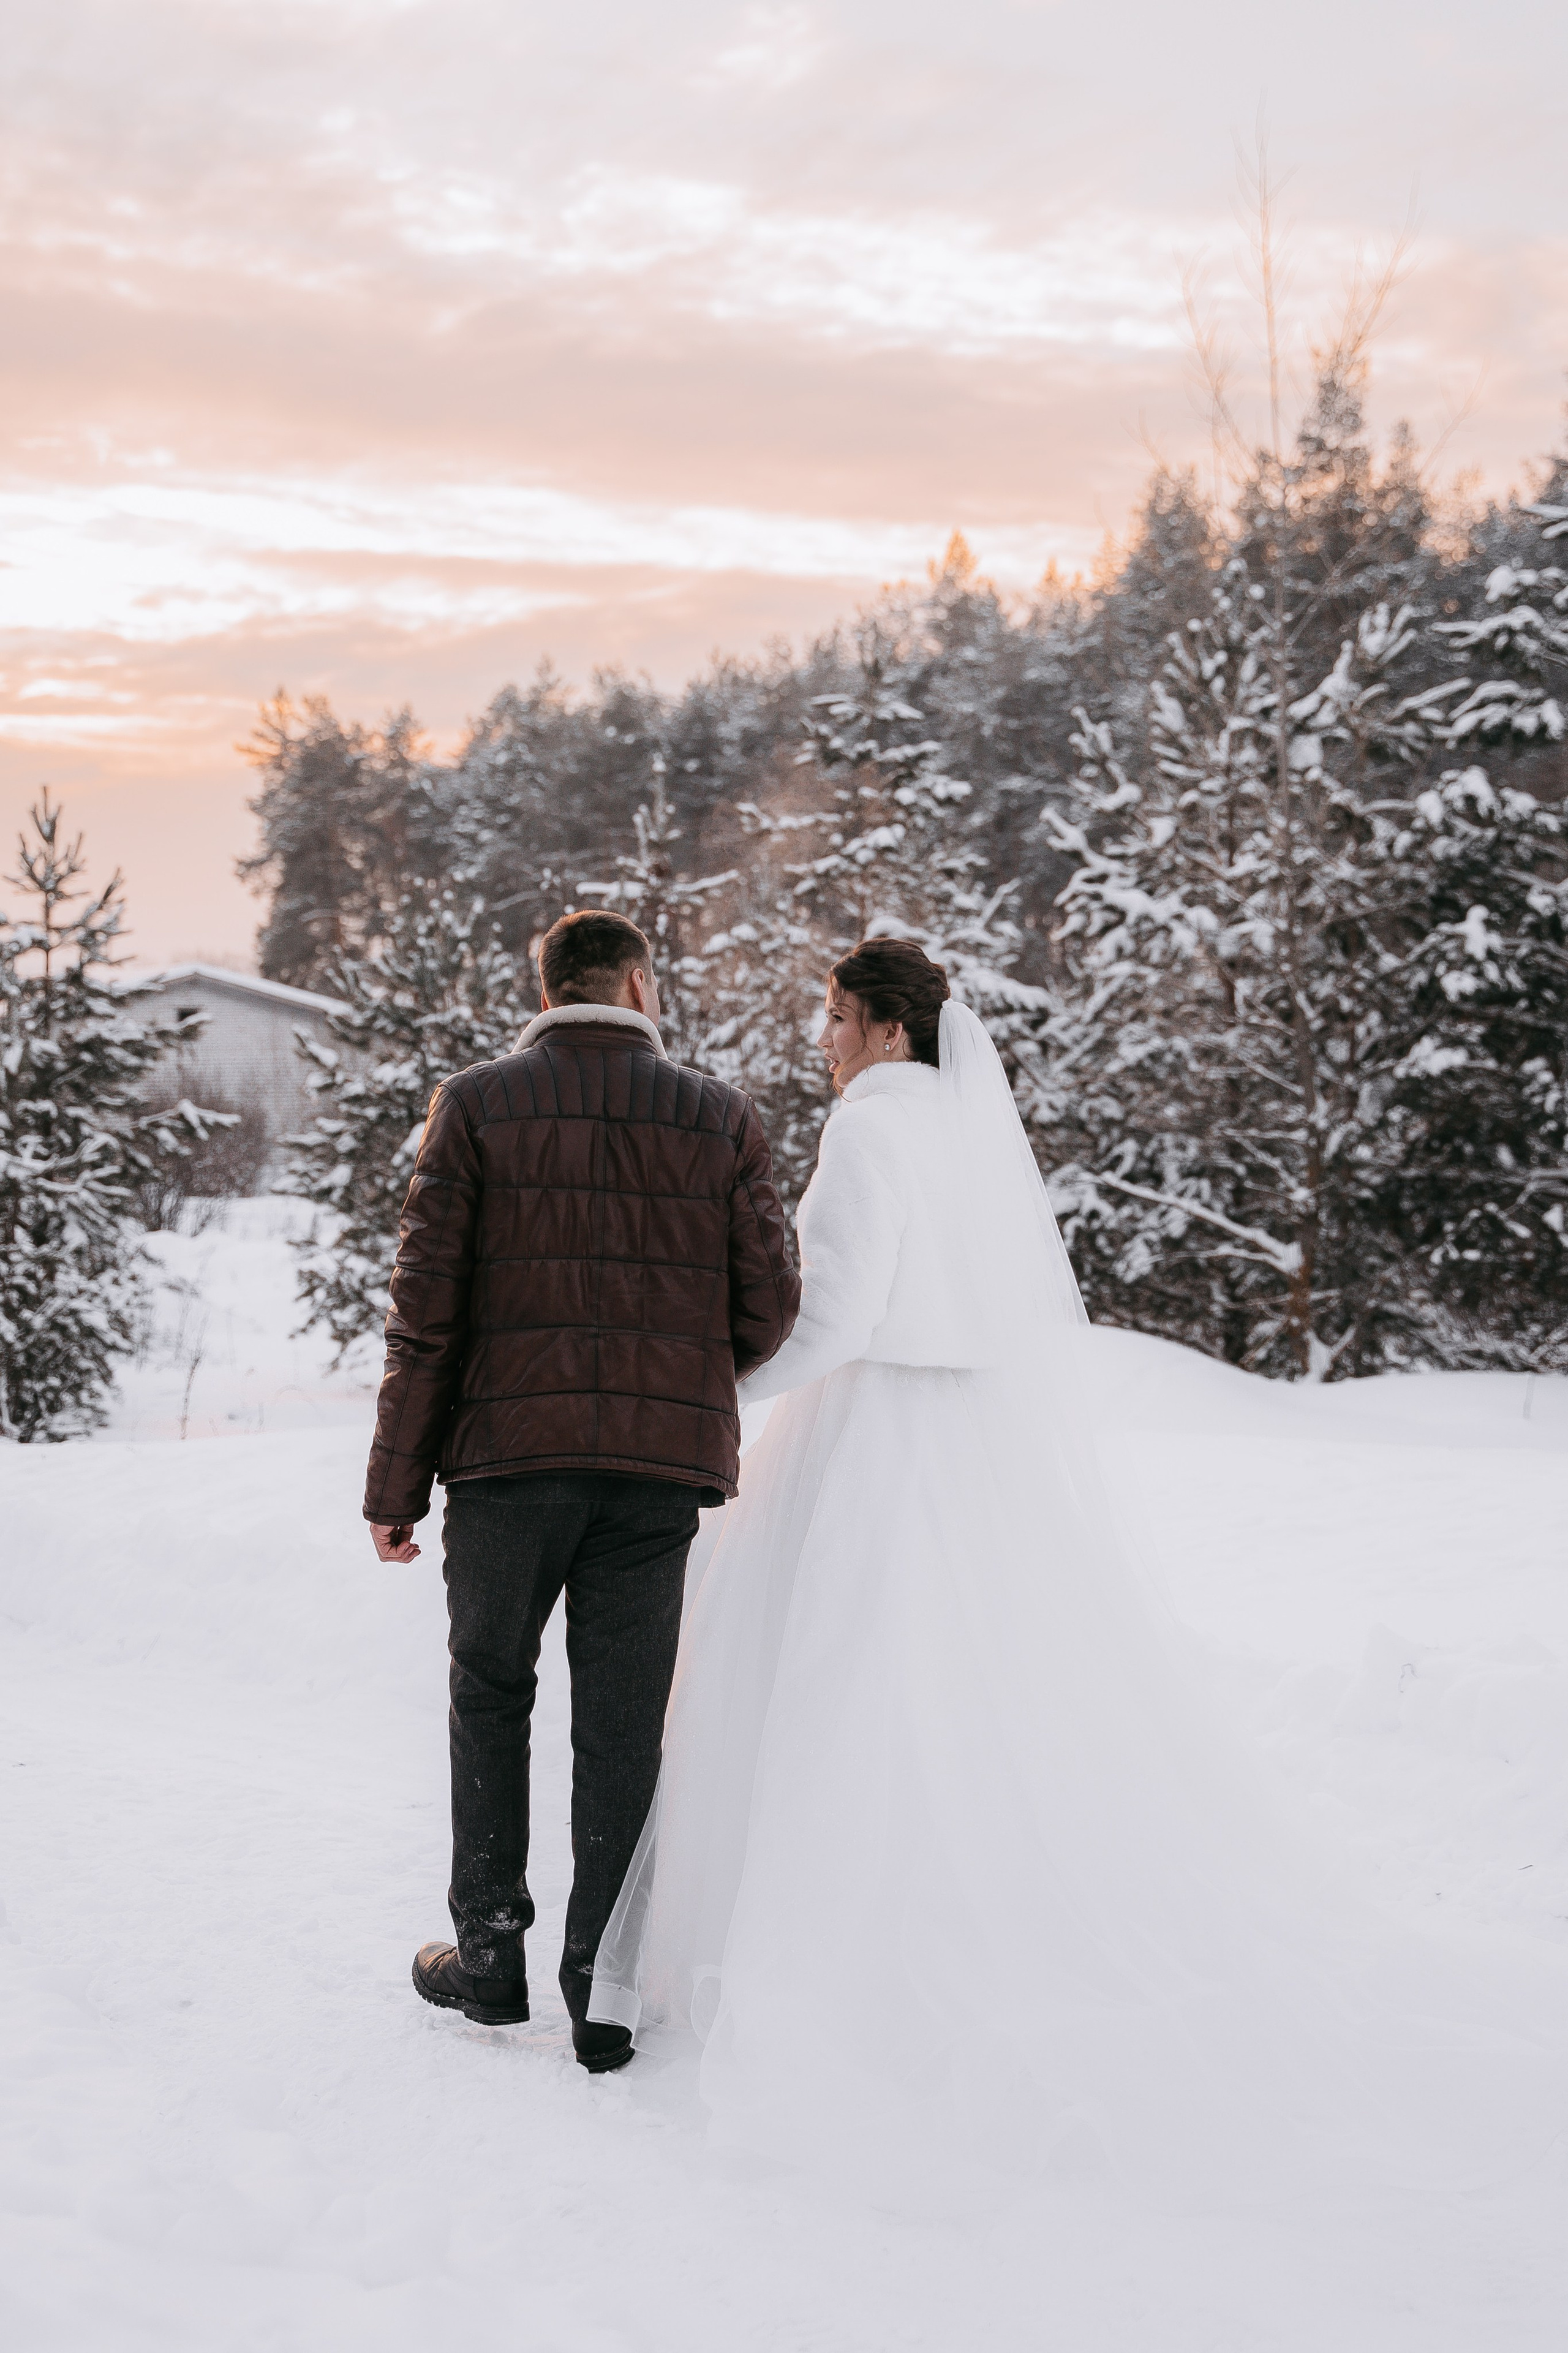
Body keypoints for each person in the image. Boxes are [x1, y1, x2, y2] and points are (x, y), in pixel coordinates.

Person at [586, 936, 1561, 2196]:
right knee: (969, 1692)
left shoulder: (873, 1130)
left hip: (873, 1436)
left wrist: (707, 1394)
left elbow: (838, 1315)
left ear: (886, 1030)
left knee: (841, 1690)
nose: (819, 1039)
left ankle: (841, 1958)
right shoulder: (960, 1130)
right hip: (969, 1444)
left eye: (831, 1017)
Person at [363, 908, 799, 2072]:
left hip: (506, 1466)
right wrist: (668, 1371)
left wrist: (394, 1481)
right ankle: (603, 1993)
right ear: (640, 985)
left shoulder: (476, 1104)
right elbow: (768, 1311)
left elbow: (426, 1313)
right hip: (655, 1478)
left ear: (545, 987)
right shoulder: (720, 1116)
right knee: (623, 1730)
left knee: (491, 1691)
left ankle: (491, 1961)